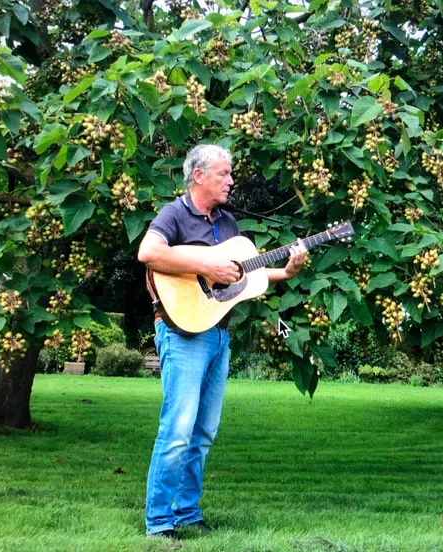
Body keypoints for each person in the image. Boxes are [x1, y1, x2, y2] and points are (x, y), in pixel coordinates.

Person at [137, 144, 308, 538]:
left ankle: (186, 512)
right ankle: (159, 523)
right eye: (224, 174)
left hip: (217, 333)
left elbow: (242, 278)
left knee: (203, 433)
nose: (231, 181)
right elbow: (148, 252)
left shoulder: (227, 223)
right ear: (199, 176)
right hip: (181, 333)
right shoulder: (174, 213)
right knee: (177, 430)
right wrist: (204, 264)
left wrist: (286, 271)